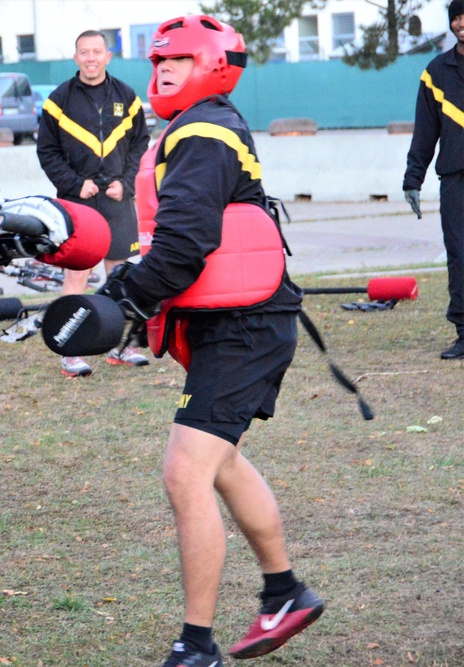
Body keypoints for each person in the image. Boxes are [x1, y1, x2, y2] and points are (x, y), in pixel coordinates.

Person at [88, 16, 322, 666]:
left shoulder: (203, 132)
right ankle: (285, 593)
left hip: (247, 328)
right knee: (217, 462)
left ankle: (197, 645)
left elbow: (185, 243)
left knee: (185, 470)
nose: (162, 68)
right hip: (240, 325)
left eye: (180, 60)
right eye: (159, 59)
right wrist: (127, 285)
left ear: (214, 65)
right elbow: (179, 242)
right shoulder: (200, 126)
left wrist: (126, 297)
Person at [37, 29, 151, 377]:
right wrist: (75, 185)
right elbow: (47, 151)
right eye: (84, 52)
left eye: (96, 52)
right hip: (78, 204)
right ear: (76, 59)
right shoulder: (58, 100)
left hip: (117, 199)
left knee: (120, 277)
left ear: (107, 57)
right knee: (77, 278)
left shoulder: (127, 97)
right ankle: (69, 350)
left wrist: (126, 183)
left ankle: (122, 345)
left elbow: (139, 144)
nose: (90, 58)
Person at [403, 0, 464, 360]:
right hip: (455, 180)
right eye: (456, 17)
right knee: (459, 256)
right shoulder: (436, 72)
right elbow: (425, 132)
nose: (461, 24)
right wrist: (413, 178)